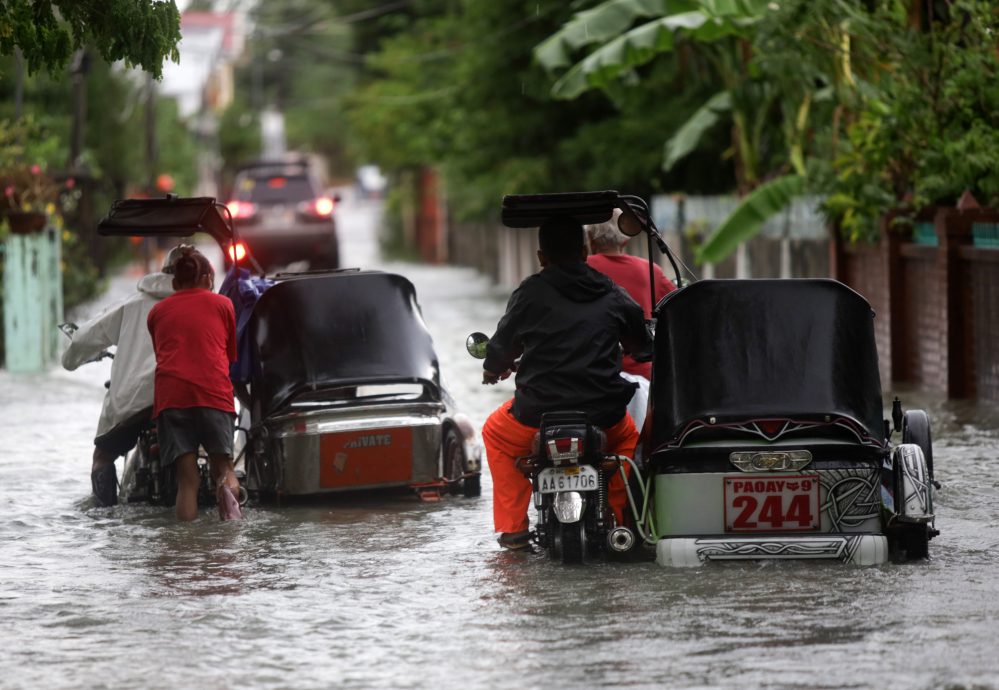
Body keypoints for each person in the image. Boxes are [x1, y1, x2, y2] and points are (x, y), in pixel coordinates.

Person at [481, 215, 653, 549]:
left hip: (536, 417)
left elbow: (500, 347)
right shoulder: (611, 292)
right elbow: (643, 346)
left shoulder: (529, 293)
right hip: (604, 415)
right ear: (586, 251)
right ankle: (619, 517)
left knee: (495, 433)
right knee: (628, 440)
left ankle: (514, 530)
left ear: (541, 257)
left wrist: (494, 369)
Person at [62, 245, 187, 507]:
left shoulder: (133, 304)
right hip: (187, 398)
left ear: (163, 271)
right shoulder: (206, 304)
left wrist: (69, 361)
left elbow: (86, 337)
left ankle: (104, 518)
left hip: (136, 401)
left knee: (103, 457)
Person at [147, 247, 242, 521]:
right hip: (213, 393)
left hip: (172, 397)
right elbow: (230, 356)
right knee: (224, 469)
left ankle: (186, 550)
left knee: (187, 481)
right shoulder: (223, 305)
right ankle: (232, 540)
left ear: (175, 283)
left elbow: (162, 355)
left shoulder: (157, 312)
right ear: (208, 279)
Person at [586, 209, 676, 430]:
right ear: (625, 240)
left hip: (588, 376)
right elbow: (678, 307)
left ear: (590, 240)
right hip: (641, 377)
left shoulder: (579, 269)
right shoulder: (649, 270)